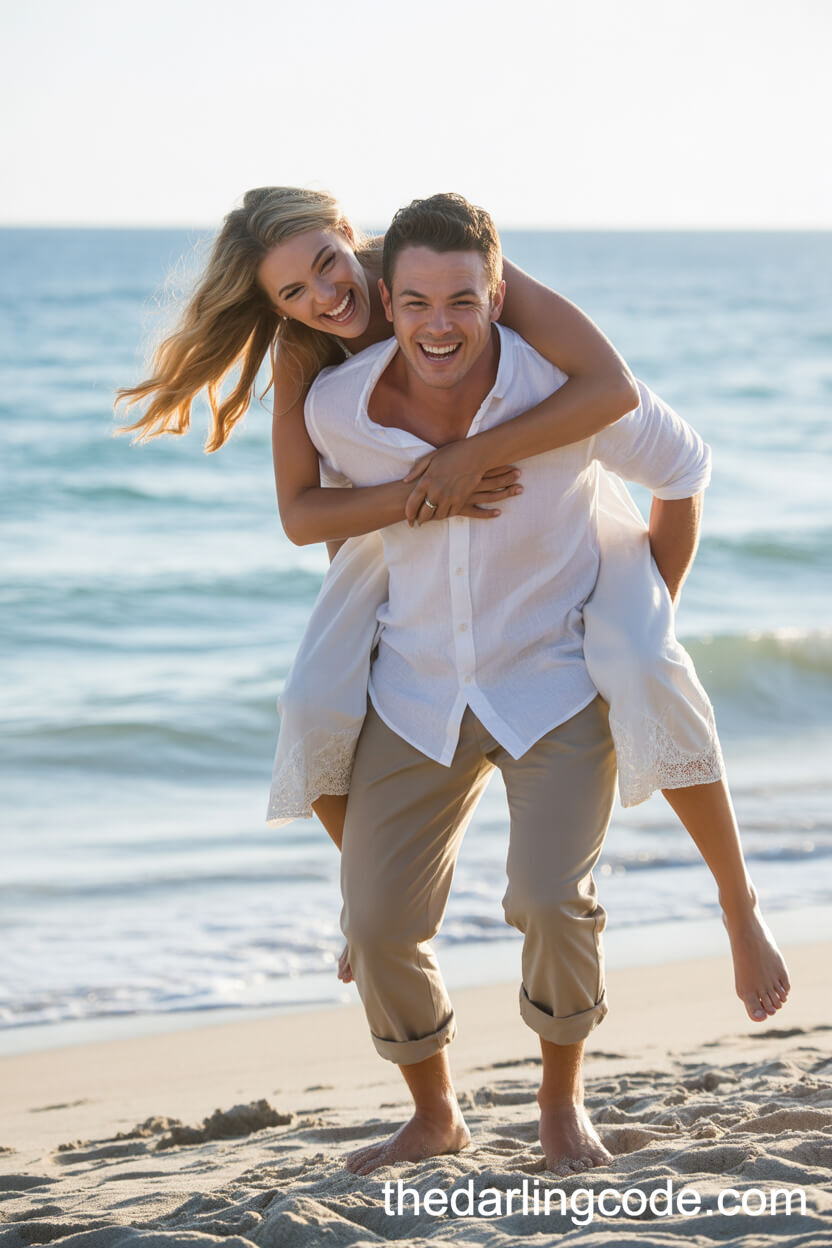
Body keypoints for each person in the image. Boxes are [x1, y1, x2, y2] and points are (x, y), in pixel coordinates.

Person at [117, 187, 788, 1034]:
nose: (325, 297)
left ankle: (737, 898)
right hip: (395, 524)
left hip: (546, 508)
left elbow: (611, 388)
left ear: (346, 234)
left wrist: (470, 461)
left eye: (327, 263)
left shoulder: (438, 268)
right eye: (292, 292)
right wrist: (419, 498)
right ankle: (373, 897)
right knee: (312, 702)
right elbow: (305, 511)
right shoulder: (304, 356)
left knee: (643, 660)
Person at [299, 191, 771, 1175]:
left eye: (462, 300)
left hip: (553, 689)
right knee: (380, 923)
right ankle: (434, 1114)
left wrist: (652, 604)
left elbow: (684, 468)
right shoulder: (337, 411)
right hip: (418, 691)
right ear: (386, 302)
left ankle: (562, 1108)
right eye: (418, 301)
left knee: (551, 900)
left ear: (496, 294)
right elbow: (331, 534)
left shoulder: (561, 393)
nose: (440, 324)